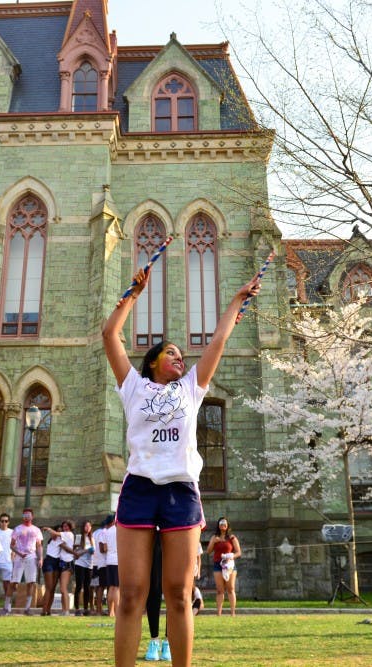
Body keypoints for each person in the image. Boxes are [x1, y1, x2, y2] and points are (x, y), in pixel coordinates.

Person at [103, 265, 261, 667]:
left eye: (181, 354)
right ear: (153, 361)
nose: (180, 356)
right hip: (139, 490)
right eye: (171, 352)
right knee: (133, 595)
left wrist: (236, 300)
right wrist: (133, 294)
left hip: (181, 493)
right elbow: (109, 335)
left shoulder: (191, 387)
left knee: (178, 593)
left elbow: (219, 341)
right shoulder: (132, 386)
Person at [3, 508, 43, 616]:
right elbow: (11, 545)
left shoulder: (36, 530)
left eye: (28, 515)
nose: (26, 517)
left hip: (31, 557)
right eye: (25, 515)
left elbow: (39, 545)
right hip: (19, 558)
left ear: (32, 517)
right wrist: (19, 553)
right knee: (14, 582)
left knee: (31, 582)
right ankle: (6, 607)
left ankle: (27, 608)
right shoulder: (17, 529)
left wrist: (40, 558)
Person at [206, 517, 241, 616]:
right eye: (221, 523)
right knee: (220, 590)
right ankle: (218, 613)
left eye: (225, 523)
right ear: (218, 525)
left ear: (227, 525)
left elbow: (239, 552)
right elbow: (208, 551)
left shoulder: (232, 538)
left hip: (229, 565)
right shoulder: (214, 537)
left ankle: (233, 612)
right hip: (218, 564)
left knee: (230, 588)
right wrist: (213, 542)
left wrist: (231, 556)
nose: (223, 525)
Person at [72, 519, 95, 616]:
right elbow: (75, 554)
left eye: (89, 526)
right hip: (80, 564)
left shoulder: (92, 539)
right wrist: (86, 550)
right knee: (79, 586)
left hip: (89, 565)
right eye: (86, 526)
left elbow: (94, 552)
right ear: (83, 527)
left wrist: (92, 551)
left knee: (87, 587)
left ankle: (86, 609)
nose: (88, 528)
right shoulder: (78, 537)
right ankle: (77, 609)